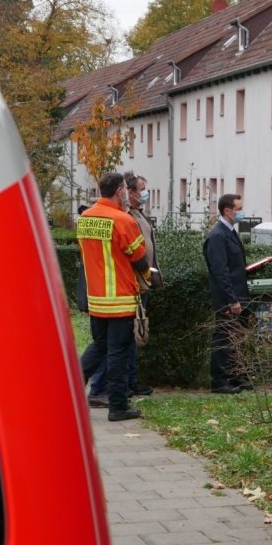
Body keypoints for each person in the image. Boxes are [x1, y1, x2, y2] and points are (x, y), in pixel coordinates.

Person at [77, 171, 152, 421]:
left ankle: (70, 387)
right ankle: (118, 407)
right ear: (120, 191)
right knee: (118, 353)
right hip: (120, 300)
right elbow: (140, 260)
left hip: (96, 299)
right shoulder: (123, 220)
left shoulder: (85, 218)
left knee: (99, 347)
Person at [203, 193, 251, 394]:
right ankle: (220, 381)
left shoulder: (229, 232)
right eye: (239, 209)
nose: (241, 212)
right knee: (223, 338)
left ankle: (234, 377)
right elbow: (220, 272)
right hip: (227, 299)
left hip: (237, 295)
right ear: (227, 211)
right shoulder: (218, 236)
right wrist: (232, 300)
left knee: (235, 338)